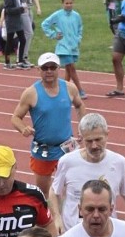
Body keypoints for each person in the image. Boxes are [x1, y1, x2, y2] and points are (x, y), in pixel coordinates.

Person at [49, 111, 125, 233]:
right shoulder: (67, 161)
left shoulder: (119, 162)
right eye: (89, 141)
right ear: (81, 138)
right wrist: (57, 218)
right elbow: (54, 191)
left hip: (105, 231)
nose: (94, 145)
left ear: (107, 135)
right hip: (72, 231)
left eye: (98, 139)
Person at [10, 53, 84, 197]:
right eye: (45, 68)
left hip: (67, 146)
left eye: (52, 67)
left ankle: (69, 218)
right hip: (44, 150)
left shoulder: (69, 88)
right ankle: (48, 218)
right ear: (39, 70)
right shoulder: (31, 93)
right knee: (43, 193)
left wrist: (82, 126)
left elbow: (80, 105)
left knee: (73, 189)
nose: (49, 71)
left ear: (58, 69)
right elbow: (15, 117)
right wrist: (23, 128)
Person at [40, 0, 84, 95]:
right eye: (66, 3)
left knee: (69, 70)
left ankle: (64, 89)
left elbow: (80, 28)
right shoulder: (57, 15)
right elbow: (45, 24)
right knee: (71, 68)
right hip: (63, 47)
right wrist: (54, 34)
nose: (68, 5)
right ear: (62, 4)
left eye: (70, 3)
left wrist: (78, 39)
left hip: (73, 46)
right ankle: (79, 90)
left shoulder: (76, 16)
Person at [1, 0, 27, 69]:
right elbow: (8, 10)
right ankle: (7, 62)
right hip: (11, 21)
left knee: (23, 39)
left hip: (17, 20)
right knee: (10, 41)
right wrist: (20, 9)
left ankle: (20, 61)